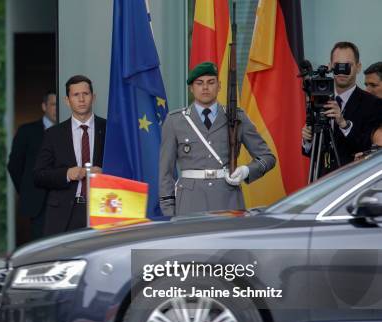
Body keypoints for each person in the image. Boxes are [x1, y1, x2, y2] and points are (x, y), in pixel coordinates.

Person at [159, 62, 276, 216]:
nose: (205, 87)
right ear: (191, 89)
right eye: (199, 83)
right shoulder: (175, 121)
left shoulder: (236, 117)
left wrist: (246, 171)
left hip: (227, 199)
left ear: (219, 86)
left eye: (211, 82)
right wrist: (168, 210)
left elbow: (268, 157)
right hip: (189, 201)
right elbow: (165, 172)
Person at [33, 75, 106, 236]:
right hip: (65, 213)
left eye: (85, 94)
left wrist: (105, 172)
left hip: (104, 207)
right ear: (67, 100)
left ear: (93, 98)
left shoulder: (109, 129)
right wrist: (66, 174)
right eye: (75, 95)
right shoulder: (53, 134)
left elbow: (127, 168)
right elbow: (38, 175)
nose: (81, 99)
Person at [302, 42, 382, 176]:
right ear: (330, 67)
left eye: (347, 65)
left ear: (358, 67)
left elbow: (371, 150)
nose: (342, 70)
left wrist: (344, 124)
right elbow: (313, 154)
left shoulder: (373, 104)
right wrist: (307, 141)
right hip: (322, 181)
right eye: (337, 65)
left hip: (354, 183)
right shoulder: (319, 99)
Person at [7, 91, 57, 240]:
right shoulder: (27, 131)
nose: (56, 109)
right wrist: (26, 189)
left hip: (63, 200)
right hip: (37, 202)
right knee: (40, 244)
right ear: (44, 106)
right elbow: (14, 165)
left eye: (58, 105)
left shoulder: (68, 130)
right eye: (53, 104)